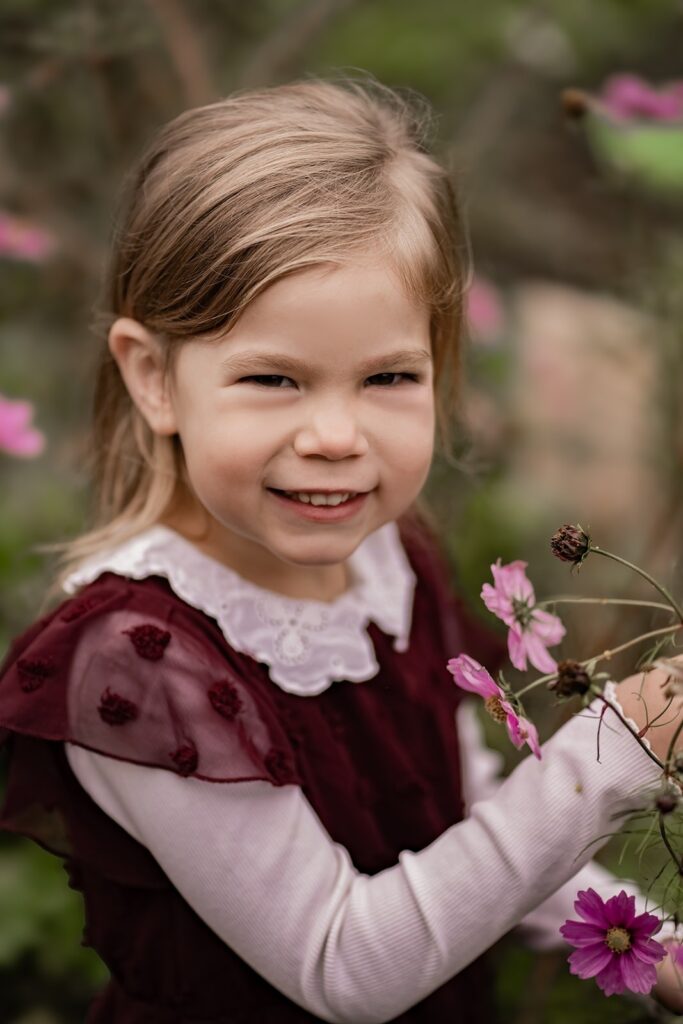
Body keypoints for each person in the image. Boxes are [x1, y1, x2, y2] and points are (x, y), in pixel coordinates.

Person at [0, 76, 681, 1024]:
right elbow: (343, 965)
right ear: (153, 378)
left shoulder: (385, 556)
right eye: (274, 377)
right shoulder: (137, 663)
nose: (334, 434)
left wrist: (649, 942)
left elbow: (461, 817)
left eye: (388, 376)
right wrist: (602, 760)